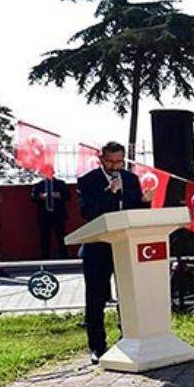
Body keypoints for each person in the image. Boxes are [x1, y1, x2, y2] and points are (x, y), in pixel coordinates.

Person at [77, 142, 153, 363]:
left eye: (119, 161)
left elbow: (134, 213)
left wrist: (144, 203)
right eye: (110, 161)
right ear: (101, 159)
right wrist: (110, 193)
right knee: (96, 298)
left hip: (125, 247)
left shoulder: (131, 179)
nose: (115, 166)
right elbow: (88, 213)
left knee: (128, 295)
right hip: (97, 248)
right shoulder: (88, 181)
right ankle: (97, 347)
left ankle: (127, 339)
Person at [31, 173, 70, 260]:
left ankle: (64, 256)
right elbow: (33, 197)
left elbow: (68, 196)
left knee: (61, 236)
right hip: (44, 216)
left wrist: (59, 195)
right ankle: (45, 257)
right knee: (45, 237)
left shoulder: (60, 183)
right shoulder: (38, 185)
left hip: (58, 215)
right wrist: (41, 196)